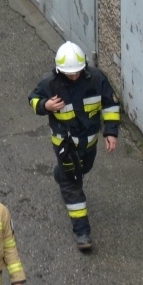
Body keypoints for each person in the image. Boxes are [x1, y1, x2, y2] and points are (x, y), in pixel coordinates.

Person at [30, 41, 120, 251]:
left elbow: (110, 105)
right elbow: (33, 99)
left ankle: (61, 174)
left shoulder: (97, 78)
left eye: (78, 72)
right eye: (69, 73)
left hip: (89, 143)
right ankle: (82, 232)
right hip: (65, 145)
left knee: (83, 169)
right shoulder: (50, 83)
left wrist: (111, 133)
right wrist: (46, 105)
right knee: (73, 184)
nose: (74, 76)